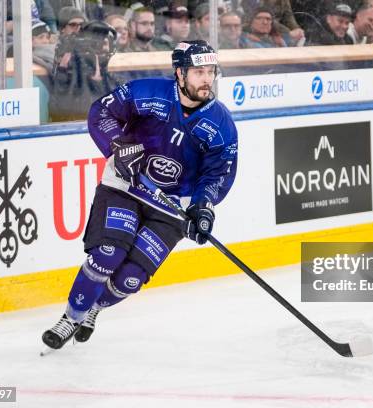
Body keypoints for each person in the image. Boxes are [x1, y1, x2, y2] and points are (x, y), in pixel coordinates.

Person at [42, 39, 238, 350]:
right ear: (179, 73)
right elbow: (101, 112)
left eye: (211, 71)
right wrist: (118, 146)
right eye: (198, 71)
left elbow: (216, 174)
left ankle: (93, 310)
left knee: (129, 278)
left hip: (171, 207)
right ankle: (71, 318)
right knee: (107, 255)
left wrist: (202, 208)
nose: (206, 79)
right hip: (126, 187)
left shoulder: (221, 124)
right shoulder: (147, 92)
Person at [50, 20, 119, 121]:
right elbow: (58, 111)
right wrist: (62, 73)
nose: (98, 46)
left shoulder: (112, 76)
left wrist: (99, 80)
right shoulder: (70, 68)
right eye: (93, 41)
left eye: (103, 41)